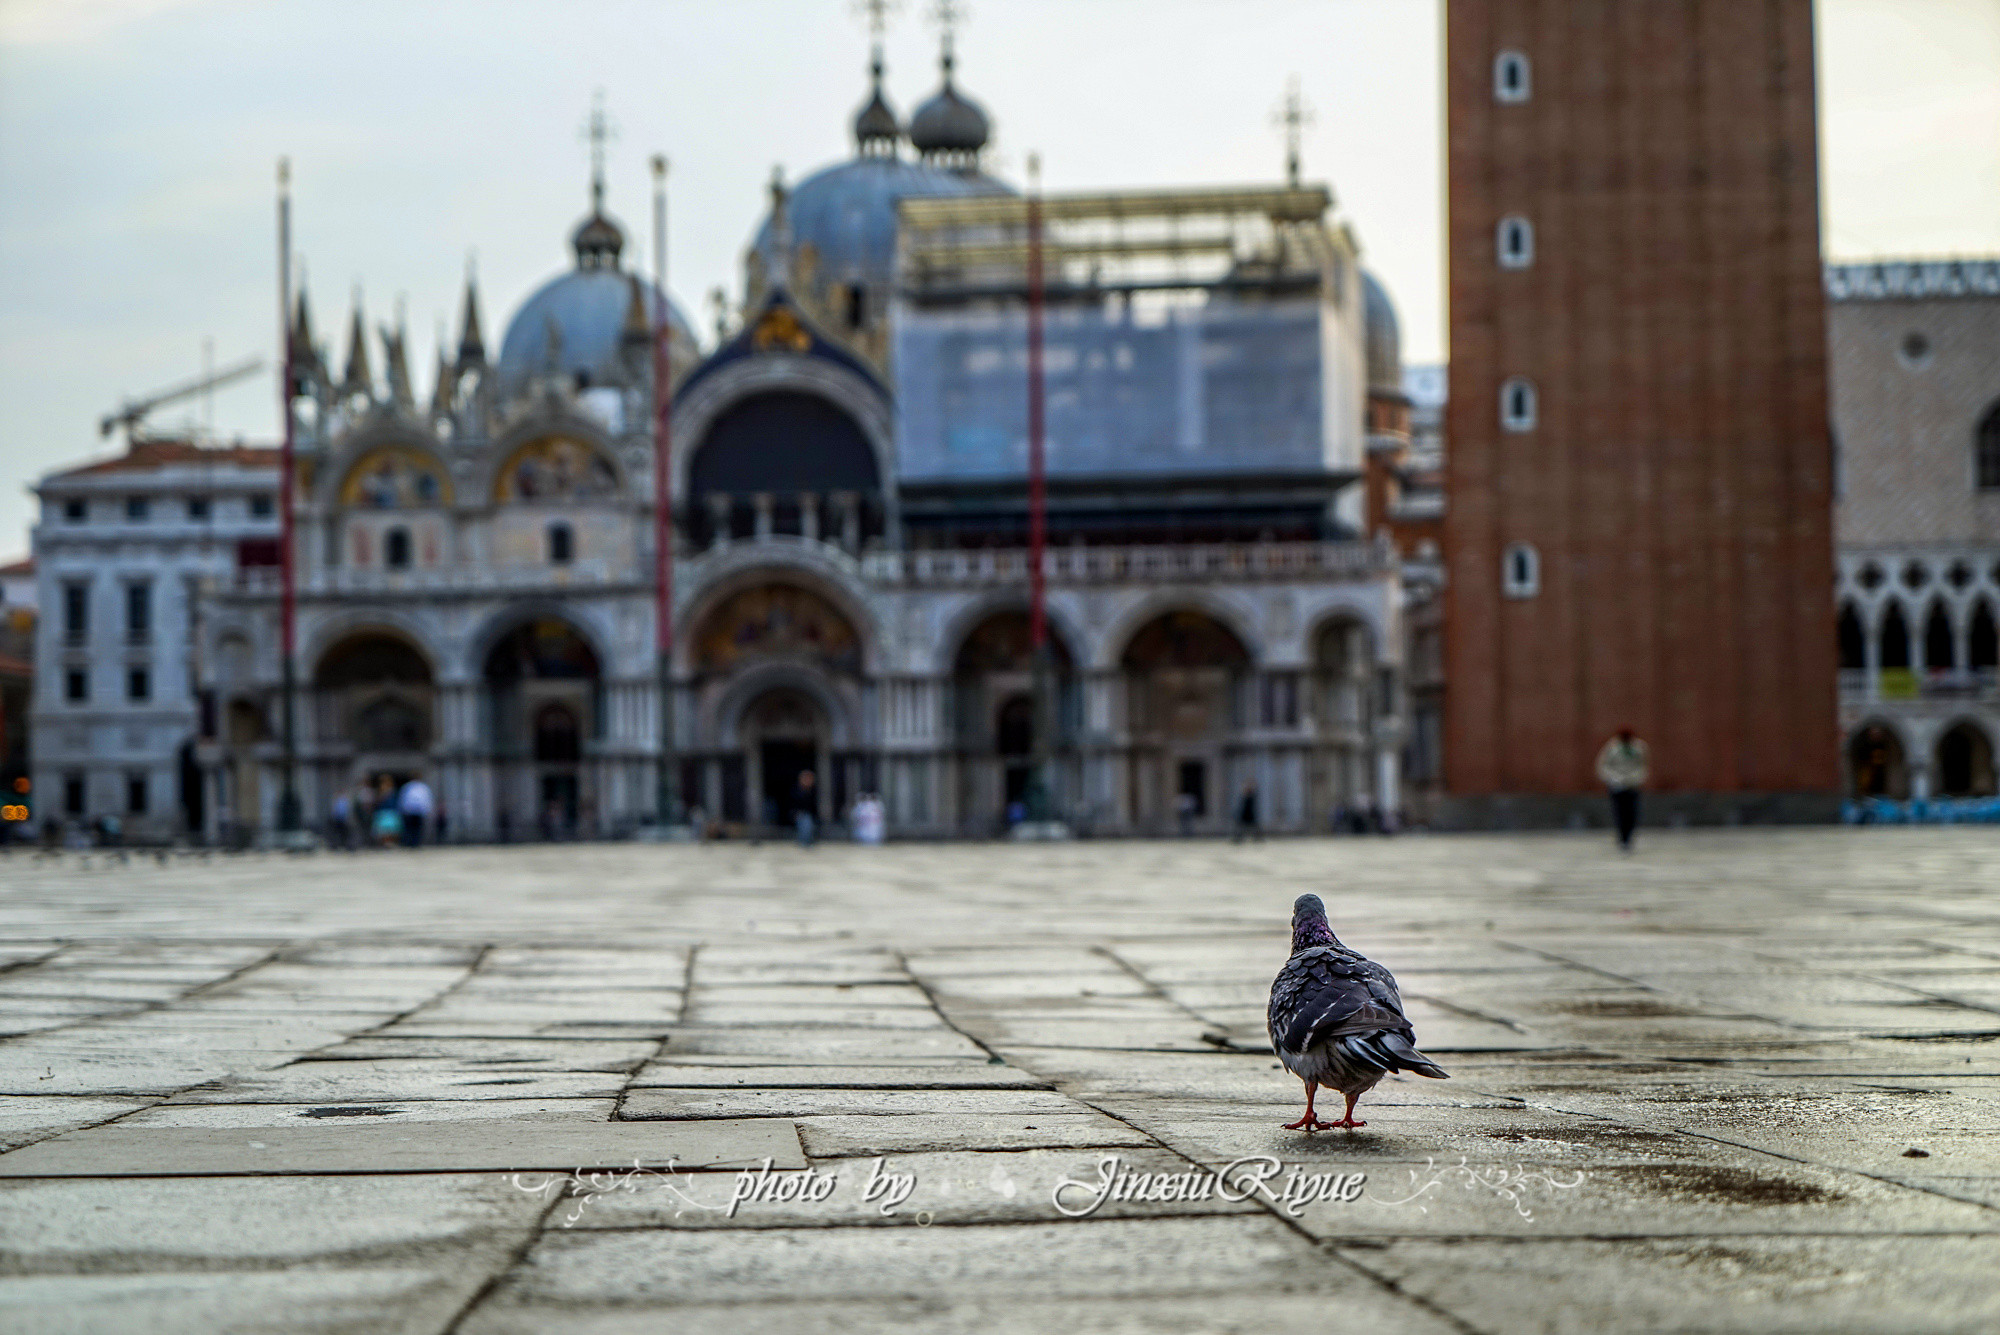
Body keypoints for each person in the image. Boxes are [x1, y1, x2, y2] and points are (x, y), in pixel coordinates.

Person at [1595, 727, 1650, 852]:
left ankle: (1629, 836)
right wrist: (1613, 778)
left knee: (1632, 813)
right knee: (1620, 813)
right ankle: (1622, 837)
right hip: (1617, 786)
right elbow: (1603, 765)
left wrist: (1636, 778)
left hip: (1633, 785)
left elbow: (1643, 766)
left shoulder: (1639, 748)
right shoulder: (1612, 748)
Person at [397, 774, 434, 849]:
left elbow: (426, 799)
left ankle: (415, 843)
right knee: (411, 828)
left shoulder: (421, 787)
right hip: (410, 811)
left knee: (417, 828)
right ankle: (410, 843)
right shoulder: (409, 787)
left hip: (417, 811)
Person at [794, 769, 817, 848]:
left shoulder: (813, 791)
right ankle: (803, 843)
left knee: (808, 827)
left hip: (809, 815)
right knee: (804, 826)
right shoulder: (797, 791)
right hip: (800, 814)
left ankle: (807, 843)